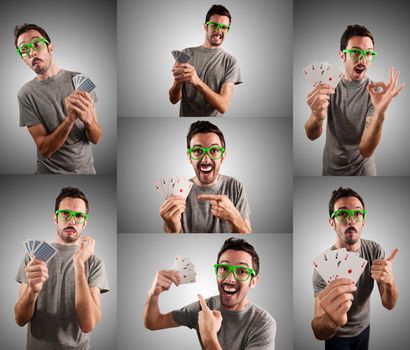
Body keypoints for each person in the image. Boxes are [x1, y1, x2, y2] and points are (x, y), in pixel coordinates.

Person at [15, 187, 109, 349]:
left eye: (79, 216)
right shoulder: (33, 257)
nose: (71, 221)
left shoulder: (94, 262)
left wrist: (79, 265)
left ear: (85, 222)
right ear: (55, 217)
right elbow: (20, 319)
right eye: (65, 213)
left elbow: (88, 324)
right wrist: (33, 291)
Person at [304, 24, 405, 175]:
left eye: (369, 53)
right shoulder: (328, 86)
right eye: (356, 52)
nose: (363, 59)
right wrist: (317, 117)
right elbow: (311, 135)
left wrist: (380, 114)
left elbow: (365, 150)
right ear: (342, 55)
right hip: (330, 170)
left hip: (363, 173)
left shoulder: (375, 94)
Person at [144, 237, 276, 349]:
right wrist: (153, 294)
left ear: (253, 281)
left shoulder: (263, 324)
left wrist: (208, 336)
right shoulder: (203, 309)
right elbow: (153, 322)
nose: (230, 279)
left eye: (242, 271)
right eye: (224, 268)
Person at [311, 187, 398, 350]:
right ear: (332, 222)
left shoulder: (375, 251)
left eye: (357, 213)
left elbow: (389, 304)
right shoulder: (323, 267)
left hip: (364, 329)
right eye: (342, 214)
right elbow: (318, 330)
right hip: (337, 336)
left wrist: (390, 282)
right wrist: (332, 320)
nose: (351, 220)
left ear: (363, 221)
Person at [15, 23, 102, 174]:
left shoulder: (80, 79)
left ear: (50, 48)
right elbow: (45, 149)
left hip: (87, 172)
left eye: (36, 44)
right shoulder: (25, 94)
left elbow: (96, 138)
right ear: (23, 58)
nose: (32, 53)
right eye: (24, 49)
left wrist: (89, 120)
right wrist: (70, 119)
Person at [160, 120, 251, 233]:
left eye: (214, 150)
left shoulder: (235, 186)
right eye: (198, 151)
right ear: (189, 157)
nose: (206, 159)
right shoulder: (178, 193)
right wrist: (173, 229)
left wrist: (235, 218)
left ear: (223, 156)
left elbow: (247, 236)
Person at [169, 4, 242, 116]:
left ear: (227, 30)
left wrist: (197, 81)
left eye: (224, 27)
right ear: (205, 27)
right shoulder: (186, 54)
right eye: (214, 25)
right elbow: (173, 100)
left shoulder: (231, 62)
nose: (218, 30)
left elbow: (223, 106)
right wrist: (178, 82)